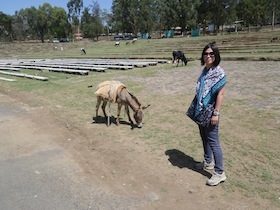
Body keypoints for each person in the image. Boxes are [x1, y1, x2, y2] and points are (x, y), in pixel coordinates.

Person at [191, 42, 227, 186]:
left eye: (211, 54)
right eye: (206, 54)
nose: (208, 56)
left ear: (216, 55)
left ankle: (219, 173)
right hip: (201, 111)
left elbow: (221, 94)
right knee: (204, 138)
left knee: (213, 141)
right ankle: (208, 161)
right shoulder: (205, 71)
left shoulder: (219, 73)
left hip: (211, 112)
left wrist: (216, 113)